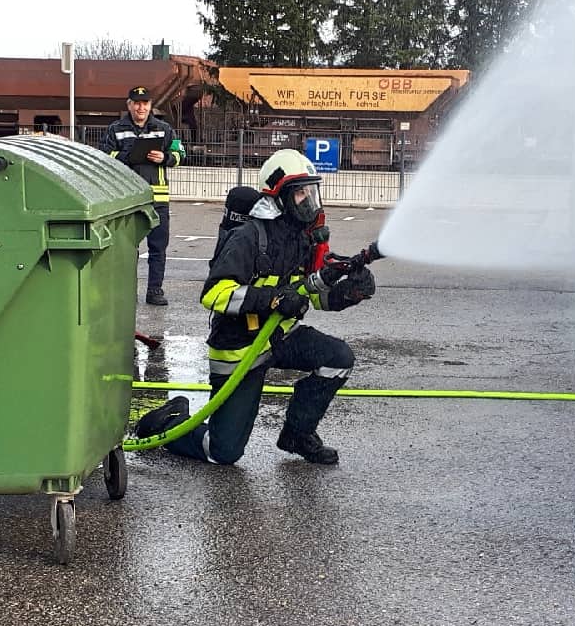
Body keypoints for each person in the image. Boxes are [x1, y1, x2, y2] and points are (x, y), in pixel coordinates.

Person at [135, 150, 376, 465]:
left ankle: (298, 435)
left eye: (310, 191)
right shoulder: (248, 237)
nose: (308, 200)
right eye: (300, 192)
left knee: (338, 358)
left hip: (278, 337)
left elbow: (312, 296)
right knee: (222, 452)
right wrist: (274, 299)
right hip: (239, 349)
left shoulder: (303, 238)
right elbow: (214, 293)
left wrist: (349, 293)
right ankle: (167, 421)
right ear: (278, 195)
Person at [105, 85, 183, 305]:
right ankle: (127, 291)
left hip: (157, 199)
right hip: (128, 200)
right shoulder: (115, 129)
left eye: (145, 103)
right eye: (137, 103)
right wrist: (129, 155)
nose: (141, 107)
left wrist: (165, 157)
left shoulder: (164, 129)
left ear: (150, 106)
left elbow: (180, 153)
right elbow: (105, 157)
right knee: (127, 250)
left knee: (158, 248)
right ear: (129, 105)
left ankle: (155, 290)